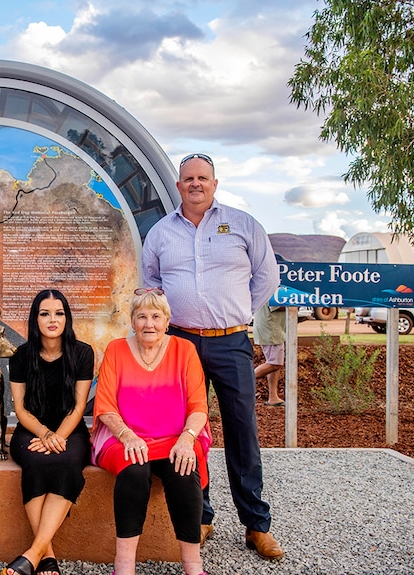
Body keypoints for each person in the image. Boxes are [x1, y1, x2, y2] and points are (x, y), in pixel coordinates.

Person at [141, 153, 284, 560]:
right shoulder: (162, 233)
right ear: (178, 185)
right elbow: (151, 283)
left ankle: (256, 525)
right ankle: (201, 516)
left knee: (242, 431)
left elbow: (267, 277)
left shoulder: (242, 225)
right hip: (180, 344)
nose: (195, 184)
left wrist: (235, 314)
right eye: (188, 179)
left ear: (215, 183)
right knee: (189, 431)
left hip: (231, 341)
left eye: (202, 178)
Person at [92, 288, 211, 575]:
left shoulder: (185, 350)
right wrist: (127, 435)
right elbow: (105, 405)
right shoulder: (116, 350)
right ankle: (123, 566)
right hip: (124, 437)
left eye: (156, 316)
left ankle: (193, 565)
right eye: (142, 316)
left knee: (184, 469)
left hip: (176, 437)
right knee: (134, 469)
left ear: (167, 321)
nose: (149, 324)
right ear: (132, 322)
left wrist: (186, 438)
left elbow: (199, 406)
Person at [2, 290, 95, 575]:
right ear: (35, 318)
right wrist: (44, 434)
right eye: (45, 313)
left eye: (59, 313)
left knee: (67, 463)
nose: (52, 319)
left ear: (67, 317)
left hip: (71, 431)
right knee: (37, 463)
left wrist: (59, 437)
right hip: (30, 430)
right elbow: (19, 408)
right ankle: (47, 555)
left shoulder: (83, 352)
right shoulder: (21, 355)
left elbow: (79, 406)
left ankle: (33, 553)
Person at [253, 304, 286, 406]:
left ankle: (273, 397)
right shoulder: (273, 288)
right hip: (271, 329)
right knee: (275, 363)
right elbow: (276, 305)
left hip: (273, 328)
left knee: (274, 363)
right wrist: (297, 303)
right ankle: (242, 380)